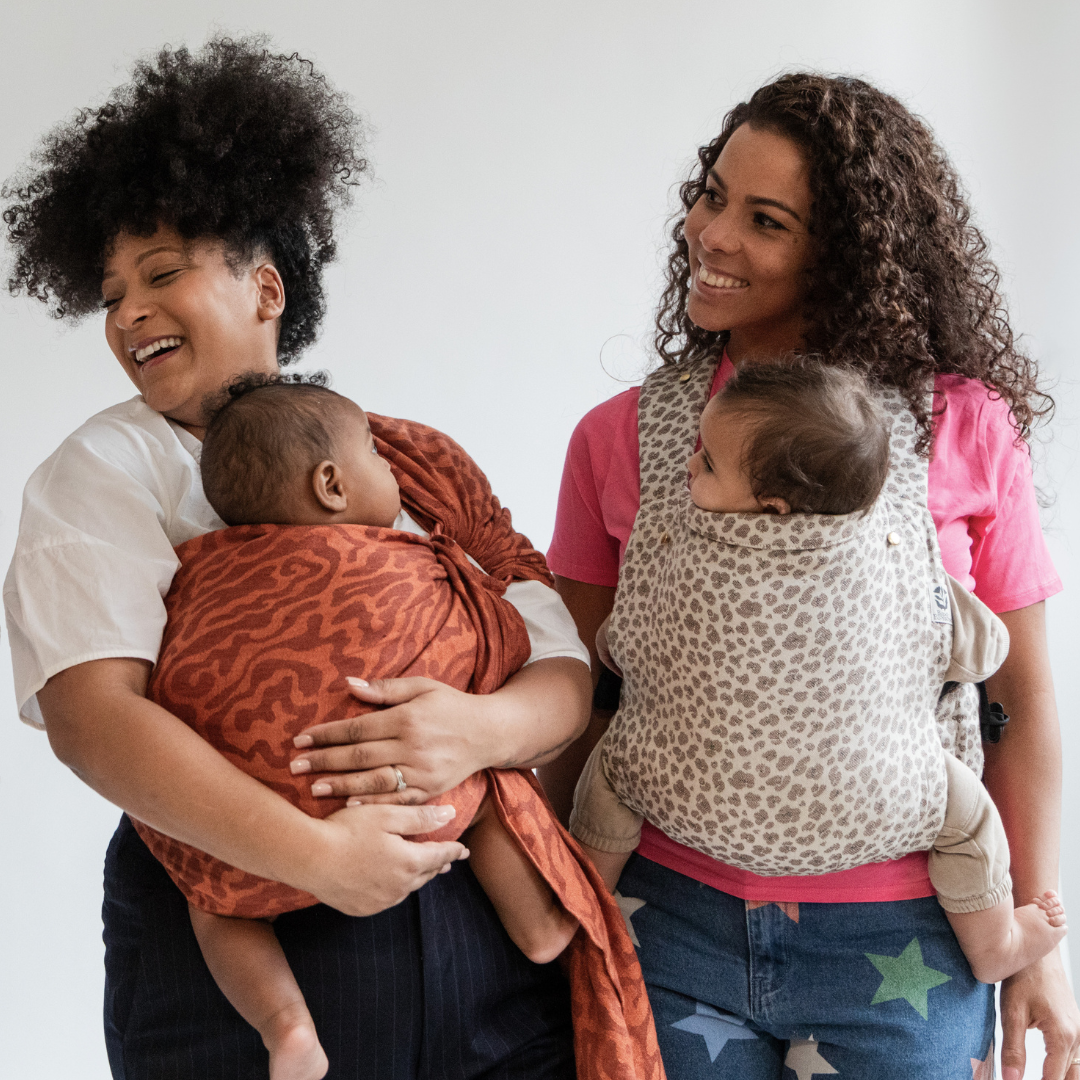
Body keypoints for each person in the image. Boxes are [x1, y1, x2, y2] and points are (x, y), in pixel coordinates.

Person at [3, 39, 598, 1079]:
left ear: (266, 288)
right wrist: (320, 857)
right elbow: (92, 720)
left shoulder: (399, 462)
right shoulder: (102, 471)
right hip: (238, 914)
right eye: (109, 296)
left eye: (162, 272)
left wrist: (478, 730)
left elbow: (555, 660)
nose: (130, 311)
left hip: (467, 917)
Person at [541, 73, 1080, 1079]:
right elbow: (581, 699)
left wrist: (1032, 945)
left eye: (765, 219)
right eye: (710, 195)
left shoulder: (961, 426)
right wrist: (548, 908)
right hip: (668, 922)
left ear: (846, 255)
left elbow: (1022, 702)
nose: (711, 233)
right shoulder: (619, 438)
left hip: (913, 938)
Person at [567, 358, 1067, 987]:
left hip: (867, 915)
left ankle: (580, 902)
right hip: (696, 914)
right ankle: (995, 939)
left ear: (774, 507)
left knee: (612, 780)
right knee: (964, 816)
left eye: (708, 463)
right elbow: (980, 654)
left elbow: (612, 652)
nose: (688, 468)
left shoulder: (968, 420)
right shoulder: (616, 432)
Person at [162, 375, 581, 1080]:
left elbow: (181, 671)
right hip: (405, 806)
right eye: (377, 461)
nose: (393, 470)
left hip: (248, 826)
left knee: (213, 907)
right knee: (487, 780)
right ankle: (542, 928)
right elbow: (505, 644)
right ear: (331, 485)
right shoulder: (416, 571)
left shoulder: (206, 573)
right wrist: (484, 698)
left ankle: (286, 1025)